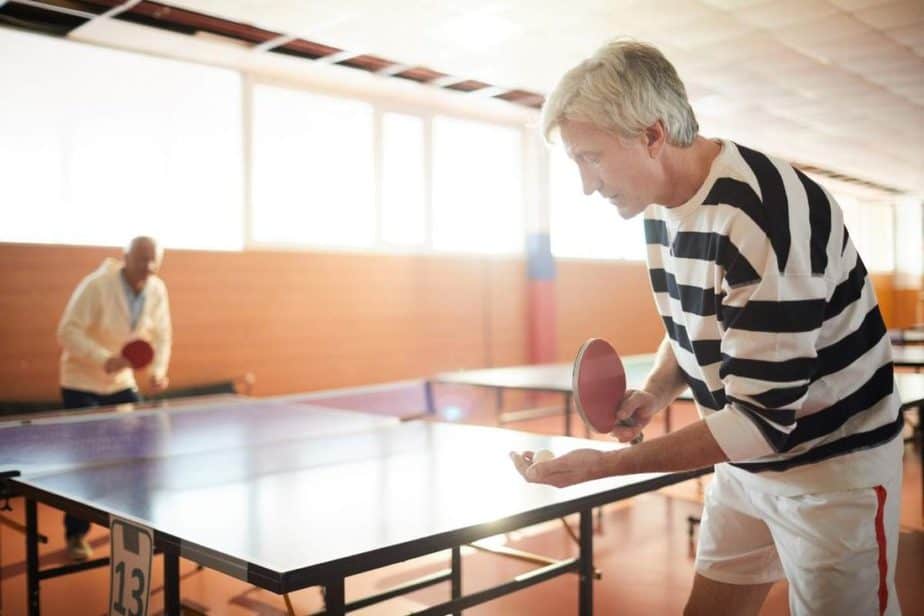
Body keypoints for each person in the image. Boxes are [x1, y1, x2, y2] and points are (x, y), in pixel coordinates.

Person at [510, 40, 903, 616]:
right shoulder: (656, 206)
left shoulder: (762, 217)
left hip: (831, 472)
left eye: (591, 157)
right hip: (746, 462)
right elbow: (701, 322)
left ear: (652, 136)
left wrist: (608, 469)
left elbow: (762, 421)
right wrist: (657, 391)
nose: (586, 184)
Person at [57, 235, 172, 560]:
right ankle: (76, 534)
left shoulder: (156, 289)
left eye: (154, 260)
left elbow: (163, 334)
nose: (148, 267)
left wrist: (158, 371)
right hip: (82, 381)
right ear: (125, 257)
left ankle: (142, 524)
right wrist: (102, 357)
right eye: (141, 259)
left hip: (121, 380)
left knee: (140, 452)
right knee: (88, 461)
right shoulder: (96, 285)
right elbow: (67, 331)